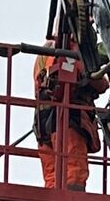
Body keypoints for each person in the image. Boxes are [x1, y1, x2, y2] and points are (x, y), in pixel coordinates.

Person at [32, 51, 102, 193]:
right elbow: (100, 84)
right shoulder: (70, 52)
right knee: (74, 168)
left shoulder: (43, 56)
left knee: (52, 174)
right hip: (69, 119)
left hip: (43, 122)